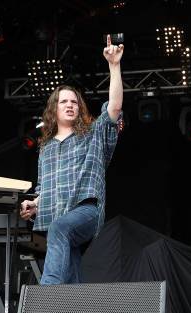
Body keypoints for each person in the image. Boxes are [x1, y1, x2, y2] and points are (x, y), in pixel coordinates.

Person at [19, 35, 124, 284]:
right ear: (54, 109)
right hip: (57, 216)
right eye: (64, 101)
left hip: (85, 212)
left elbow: (115, 108)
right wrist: (34, 204)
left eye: (74, 102)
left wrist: (114, 66)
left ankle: (46, 295)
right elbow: (44, 189)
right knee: (71, 270)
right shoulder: (45, 148)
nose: (70, 105)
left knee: (59, 230)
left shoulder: (93, 134)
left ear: (79, 108)